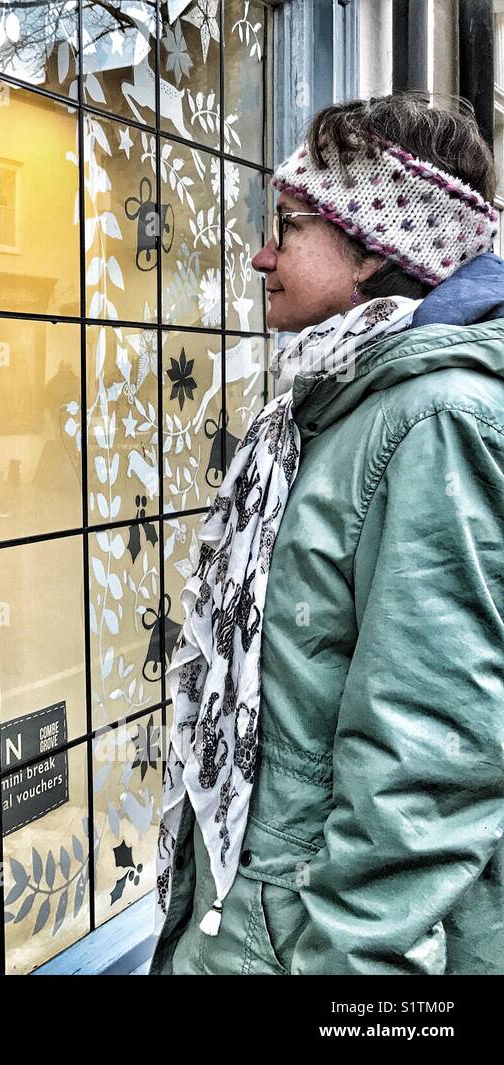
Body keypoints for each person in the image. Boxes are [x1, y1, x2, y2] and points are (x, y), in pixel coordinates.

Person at [150, 92, 504, 975]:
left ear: (381, 247)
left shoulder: (434, 422)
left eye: (293, 225)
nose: (264, 254)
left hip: (316, 942)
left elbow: (425, 764)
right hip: (262, 908)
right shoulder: (331, 404)